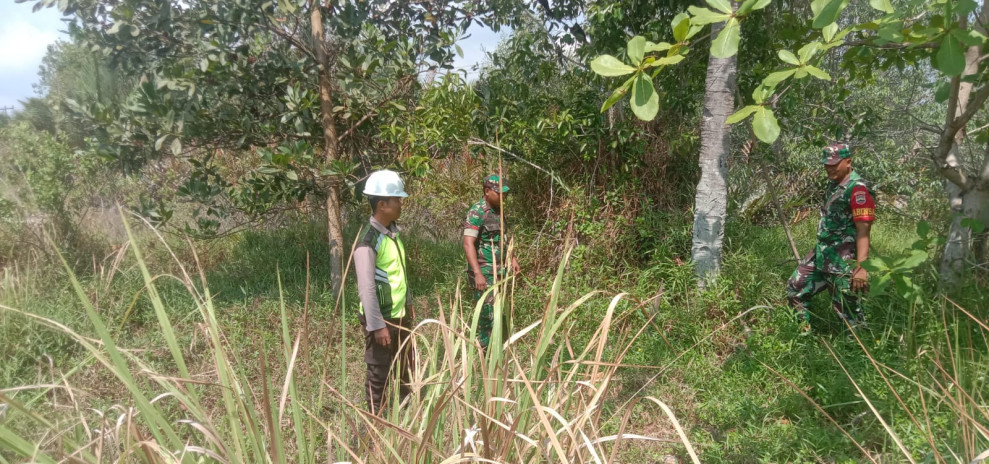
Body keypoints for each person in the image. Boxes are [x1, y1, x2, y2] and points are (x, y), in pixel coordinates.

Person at [786, 143, 876, 332]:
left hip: (844, 261)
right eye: (826, 165)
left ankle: (858, 353)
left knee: (848, 312)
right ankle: (802, 335)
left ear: (848, 162)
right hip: (822, 254)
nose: (829, 169)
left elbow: (864, 231)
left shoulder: (858, 190)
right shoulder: (834, 185)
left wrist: (861, 268)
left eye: (834, 164)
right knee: (796, 287)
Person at [354, 169, 414, 414]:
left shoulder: (392, 234)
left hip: (400, 317)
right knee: (379, 372)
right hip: (382, 319)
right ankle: (375, 423)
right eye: (397, 200)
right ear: (382, 204)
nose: (401, 204)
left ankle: (406, 416)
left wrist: (408, 302)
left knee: (405, 368)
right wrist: (377, 325)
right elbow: (366, 288)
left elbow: (399, 273)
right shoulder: (368, 242)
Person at [462, 174, 520, 348]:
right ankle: (484, 353)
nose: (504, 197)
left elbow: (503, 237)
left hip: (500, 271)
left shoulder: (498, 211)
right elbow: (468, 244)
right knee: (486, 315)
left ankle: (498, 348)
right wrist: (478, 273)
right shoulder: (477, 212)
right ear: (487, 191)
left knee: (499, 311)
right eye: (499, 193)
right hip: (485, 273)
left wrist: (513, 258)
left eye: (505, 194)